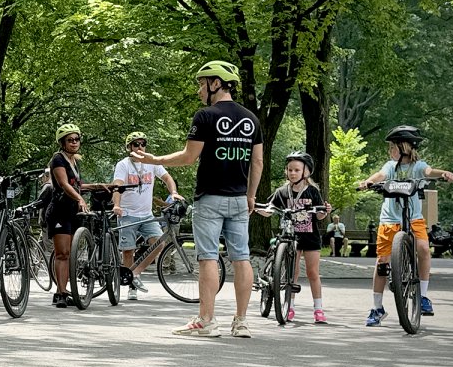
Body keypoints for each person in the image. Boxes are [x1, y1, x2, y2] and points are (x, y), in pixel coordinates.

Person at [133, 61, 262, 338]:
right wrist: (251, 195)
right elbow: (258, 161)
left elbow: (189, 157)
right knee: (242, 258)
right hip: (240, 199)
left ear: (216, 83)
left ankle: (206, 320)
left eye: (202, 83)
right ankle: (241, 322)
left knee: (207, 258)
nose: (199, 90)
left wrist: (155, 160)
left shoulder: (205, 116)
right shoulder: (252, 119)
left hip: (210, 199)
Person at [356, 125, 453, 327]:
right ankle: (377, 308)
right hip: (389, 220)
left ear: (405, 148)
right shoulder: (390, 167)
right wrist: (367, 182)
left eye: (393, 147)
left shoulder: (418, 167)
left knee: (423, 249)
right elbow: (379, 176)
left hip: (413, 219)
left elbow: (429, 171)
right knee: (382, 263)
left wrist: (443, 173)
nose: (390, 151)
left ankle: (424, 296)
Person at [111, 131, 182, 301]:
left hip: (146, 214)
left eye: (143, 144)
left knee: (159, 243)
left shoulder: (151, 163)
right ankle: (130, 286)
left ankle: (134, 273)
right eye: (136, 144)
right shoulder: (123, 165)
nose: (140, 147)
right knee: (128, 251)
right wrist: (117, 205)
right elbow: (117, 186)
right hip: (127, 214)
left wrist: (173, 192)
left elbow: (167, 178)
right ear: (129, 147)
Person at [259, 151, 329, 323]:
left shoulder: (312, 191)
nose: (292, 173)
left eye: (296, 170)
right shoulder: (282, 192)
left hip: (310, 237)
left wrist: (325, 211)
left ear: (306, 172)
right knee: (292, 273)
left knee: (313, 273)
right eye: (289, 170)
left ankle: (318, 309)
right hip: (290, 238)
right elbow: (269, 210)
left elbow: (319, 215)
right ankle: (289, 307)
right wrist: (256, 208)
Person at [46, 123, 90, 308]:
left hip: (73, 212)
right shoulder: (58, 159)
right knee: (62, 254)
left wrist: (102, 186)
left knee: (71, 254)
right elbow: (64, 184)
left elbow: (77, 184)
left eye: (76, 139)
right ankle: (60, 293)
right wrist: (80, 199)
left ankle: (65, 290)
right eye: (70, 140)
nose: (74, 143)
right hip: (60, 210)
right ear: (62, 143)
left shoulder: (75, 162)